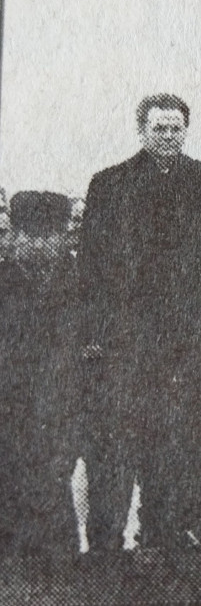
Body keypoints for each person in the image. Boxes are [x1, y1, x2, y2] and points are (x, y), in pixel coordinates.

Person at [77, 93, 201, 551]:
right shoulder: (110, 183)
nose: (168, 136)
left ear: (186, 130)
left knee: (177, 442)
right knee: (118, 444)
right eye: (159, 129)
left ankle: (163, 541)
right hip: (126, 342)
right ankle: (105, 550)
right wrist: (93, 333)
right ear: (141, 131)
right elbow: (91, 264)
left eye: (175, 129)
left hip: (188, 342)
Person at [0, 191, 81, 556]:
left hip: (60, 425)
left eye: (47, 235)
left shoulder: (81, 284)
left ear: (63, 236)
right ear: (14, 235)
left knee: (57, 541)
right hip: (8, 427)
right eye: (28, 234)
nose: (37, 244)